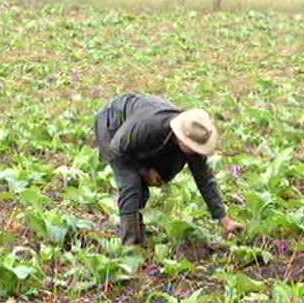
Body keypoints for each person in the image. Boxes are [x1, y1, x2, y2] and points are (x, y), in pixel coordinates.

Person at [94, 93, 245, 245]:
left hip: (136, 132)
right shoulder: (149, 126)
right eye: (192, 146)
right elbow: (117, 147)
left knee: (147, 183)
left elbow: (204, 179)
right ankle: (130, 246)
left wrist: (224, 220)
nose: (195, 151)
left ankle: (137, 228)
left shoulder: (193, 134)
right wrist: (144, 170)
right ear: (180, 136)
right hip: (112, 125)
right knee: (131, 183)